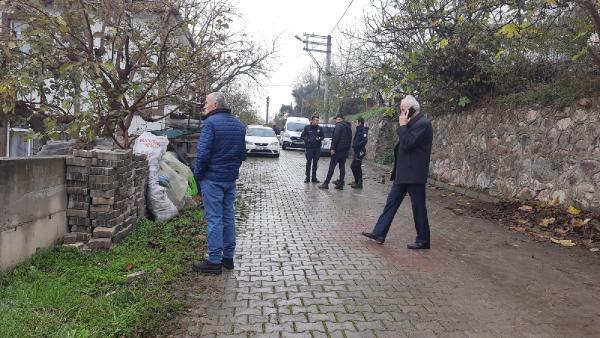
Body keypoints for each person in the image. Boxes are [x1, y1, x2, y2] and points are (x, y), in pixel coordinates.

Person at [361, 95, 433, 249]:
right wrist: (404, 125)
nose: (401, 113)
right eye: (401, 109)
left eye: (403, 109)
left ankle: (423, 240)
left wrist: (402, 125)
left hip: (414, 176)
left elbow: (407, 143)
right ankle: (379, 233)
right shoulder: (412, 123)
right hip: (402, 174)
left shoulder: (423, 124)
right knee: (391, 203)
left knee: (418, 208)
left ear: (413, 109)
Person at [192, 92, 247, 274]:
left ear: (215, 105)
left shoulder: (210, 123)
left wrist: (198, 176)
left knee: (214, 219)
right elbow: (242, 155)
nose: (204, 106)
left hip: (213, 179)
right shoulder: (239, 125)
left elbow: (203, 154)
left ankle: (214, 261)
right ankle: (228, 258)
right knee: (228, 216)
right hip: (229, 179)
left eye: (206, 103)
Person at [319, 113, 352, 190]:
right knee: (342, 167)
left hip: (337, 151)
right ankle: (340, 184)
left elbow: (335, 138)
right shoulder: (348, 127)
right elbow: (350, 139)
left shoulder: (339, 126)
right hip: (344, 151)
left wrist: (332, 148)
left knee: (331, 168)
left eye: (336, 119)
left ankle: (326, 183)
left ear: (339, 119)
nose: (336, 121)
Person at [301, 115, 324, 183]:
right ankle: (307, 177)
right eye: (316, 120)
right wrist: (307, 139)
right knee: (308, 163)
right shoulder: (307, 127)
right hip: (309, 148)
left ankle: (314, 178)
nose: (317, 121)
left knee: (315, 163)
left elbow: (323, 136)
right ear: (312, 120)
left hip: (317, 148)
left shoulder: (320, 128)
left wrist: (319, 138)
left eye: (318, 120)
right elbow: (302, 136)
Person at [350, 117, 369, 189]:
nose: (355, 123)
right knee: (357, 166)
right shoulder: (358, 130)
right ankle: (357, 182)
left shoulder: (363, 130)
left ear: (360, 123)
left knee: (354, 166)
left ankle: (359, 183)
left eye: (356, 122)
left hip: (360, 151)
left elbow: (365, 140)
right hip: (357, 151)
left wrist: (356, 146)